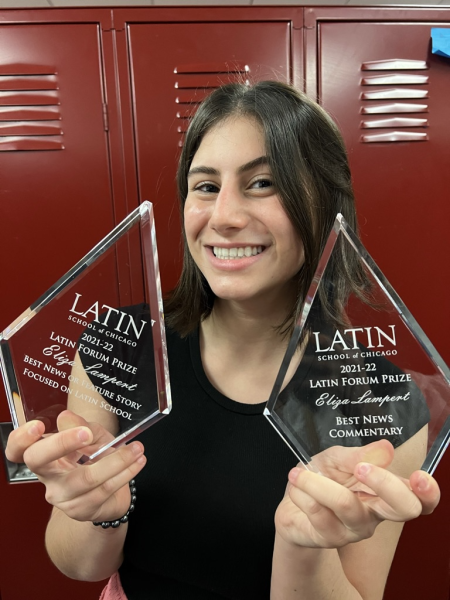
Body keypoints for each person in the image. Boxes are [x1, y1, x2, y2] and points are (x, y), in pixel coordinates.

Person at [5, 81, 441, 600]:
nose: (225, 217)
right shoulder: (117, 344)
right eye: (206, 186)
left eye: (262, 183)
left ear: (325, 203)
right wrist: (100, 510)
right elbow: (78, 565)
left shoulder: (384, 405)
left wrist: (305, 547)